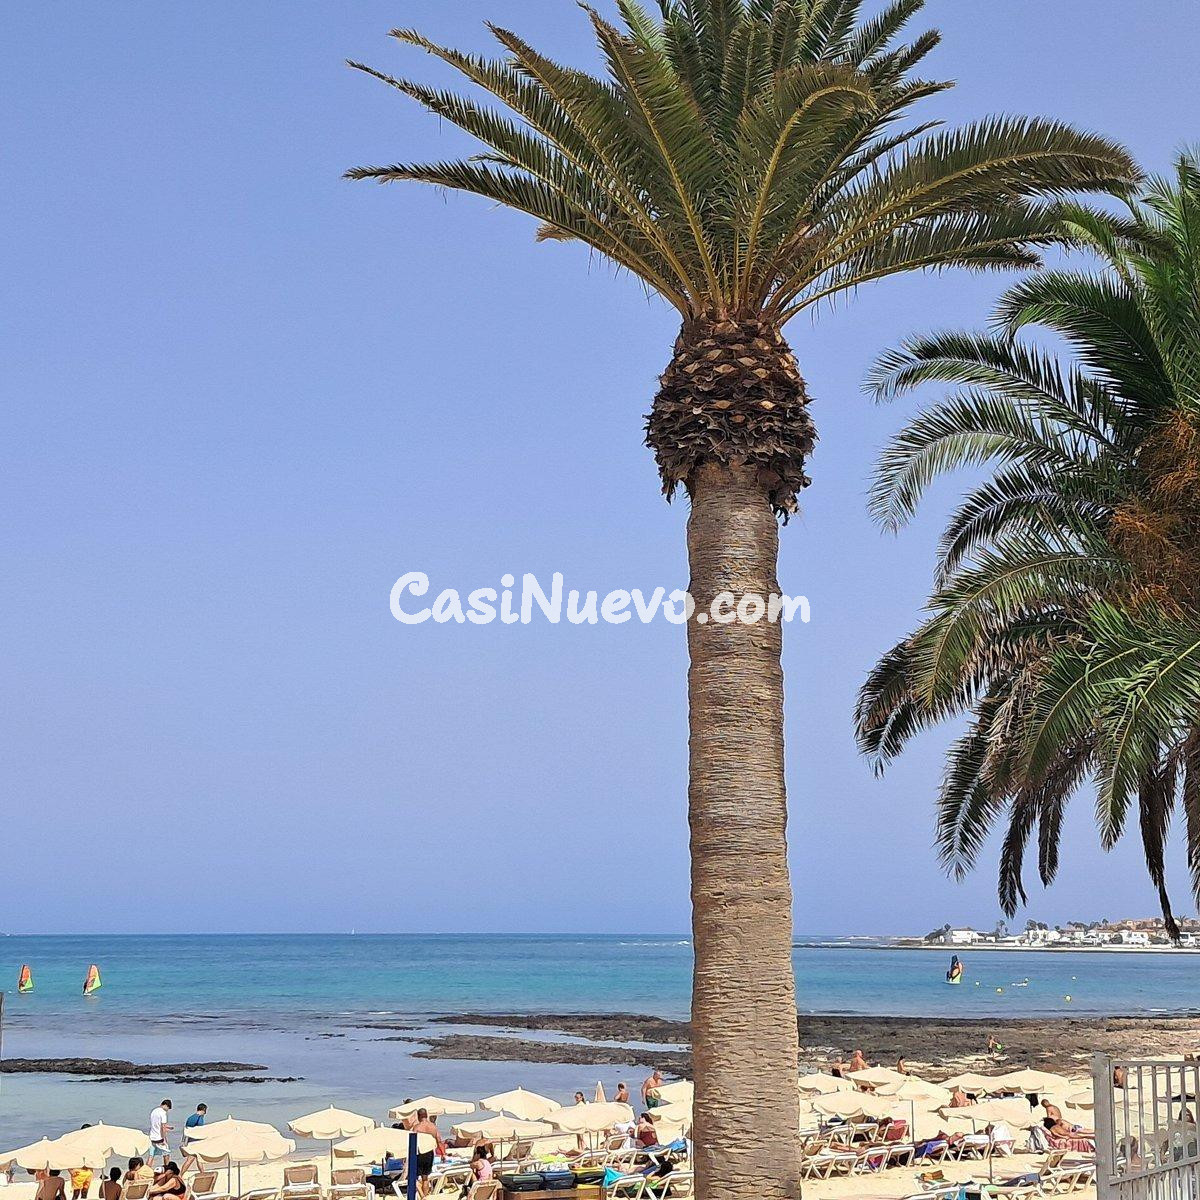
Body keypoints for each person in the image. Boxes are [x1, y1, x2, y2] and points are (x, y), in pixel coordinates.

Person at [411, 1109, 446, 1198]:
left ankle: (422, 1196)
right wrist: (443, 1154)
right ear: (426, 1115)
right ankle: (425, 1196)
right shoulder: (433, 1127)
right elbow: (439, 1141)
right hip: (429, 1153)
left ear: (418, 1116)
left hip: (419, 1153)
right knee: (425, 1178)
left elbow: (412, 1142)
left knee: (413, 1177)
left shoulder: (417, 1127)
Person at [148, 1101, 172, 1169]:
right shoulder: (163, 1113)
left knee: (151, 1155)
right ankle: (167, 1169)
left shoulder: (154, 1111)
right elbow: (163, 1127)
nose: (168, 1110)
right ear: (166, 1105)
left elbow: (156, 1124)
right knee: (166, 1153)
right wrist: (164, 1139)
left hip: (152, 1136)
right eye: (168, 1108)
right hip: (159, 1138)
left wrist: (168, 1127)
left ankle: (147, 1170)